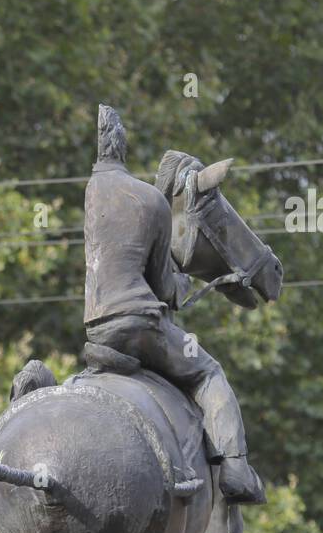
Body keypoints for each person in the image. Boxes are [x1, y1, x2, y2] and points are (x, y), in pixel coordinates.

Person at [83, 105, 264, 503]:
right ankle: (236, 470)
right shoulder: (151, 201)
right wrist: (186, 283)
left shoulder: (94, 193)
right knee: (209, 373)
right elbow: (163, 287)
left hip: (97, 328)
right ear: (123, 142)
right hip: (141, 325)